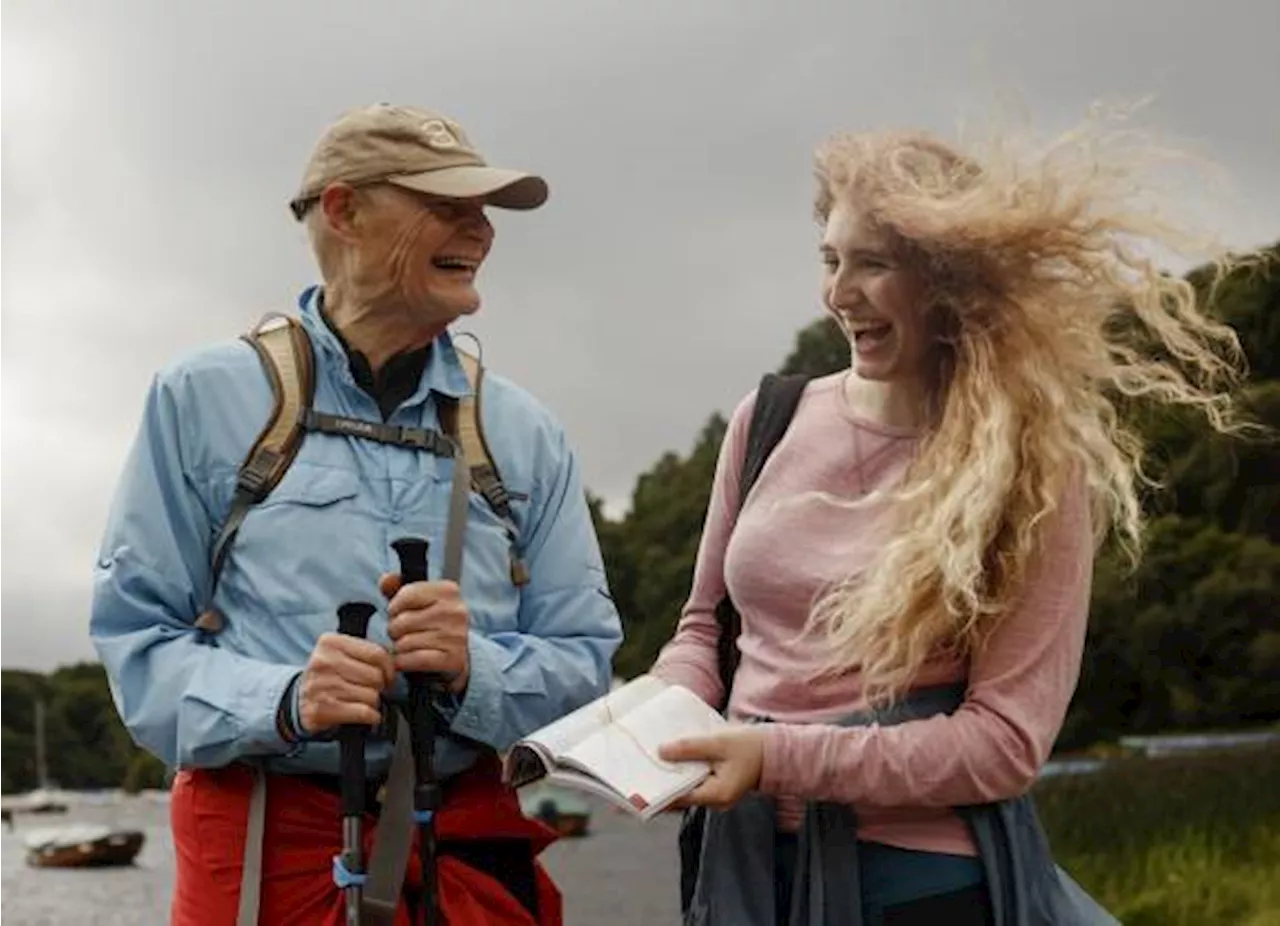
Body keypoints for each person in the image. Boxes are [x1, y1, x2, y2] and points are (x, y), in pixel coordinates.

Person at [652, 118, 1249, 924]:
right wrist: (654, 724)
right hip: (749, 870)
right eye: (831, 260)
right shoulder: (769, 419)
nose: (839, 293)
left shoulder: (1030, 463)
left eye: (873, 264)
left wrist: (775, 756)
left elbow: (1003, 746)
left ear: (949, 279)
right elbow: (702, 629)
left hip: (922, 888)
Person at [90, 103, 623, 926]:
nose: (480, 230)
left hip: (468, 848)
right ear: (343, 210)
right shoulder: (199, 399)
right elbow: (138, 648)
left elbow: (586, 665)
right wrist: (286, 696)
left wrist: (471, 669)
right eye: (447, 204)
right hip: (269, 845)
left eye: (484, 211)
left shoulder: (527, 433)